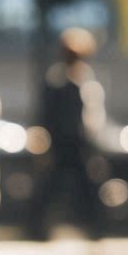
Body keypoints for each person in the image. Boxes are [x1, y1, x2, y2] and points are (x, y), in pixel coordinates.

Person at [28, 27, 105, 240]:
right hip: (62, 142)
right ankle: (39, 228)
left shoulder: (84, 81)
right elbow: (46, 115)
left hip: (79, 142)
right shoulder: (58, 81)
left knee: (83, 186)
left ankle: (94, 227)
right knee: (53, 186)